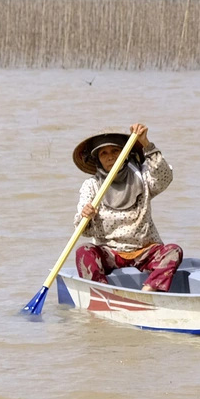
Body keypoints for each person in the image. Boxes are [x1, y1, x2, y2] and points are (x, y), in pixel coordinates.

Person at [71, 123, 182, 292]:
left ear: (125, 154)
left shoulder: (142, 176)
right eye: (104, 153)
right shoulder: (92, 186)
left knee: (174, 251)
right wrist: (86, 215)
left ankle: (148, 291)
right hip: (110, 252)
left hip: (144, 250)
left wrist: (146, 144)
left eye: (115, 151)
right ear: (98, 159)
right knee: (84, 252)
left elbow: (164, 177)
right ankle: (102, 294)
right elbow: (83, 231)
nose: (110, 157)